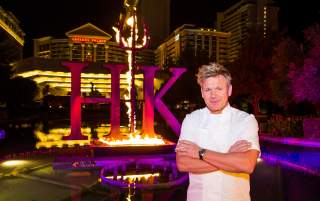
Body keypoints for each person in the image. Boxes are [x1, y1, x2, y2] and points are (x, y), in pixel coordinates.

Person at [175, 63, 260, 201]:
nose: (213, 95)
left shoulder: (245, 121)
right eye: (208, 89)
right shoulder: (191, 120)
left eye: (219, 88)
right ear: (202, 92)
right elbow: (183, 164)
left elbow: (247, 165)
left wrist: (200, 153)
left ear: (229, 90)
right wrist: (228, 156)